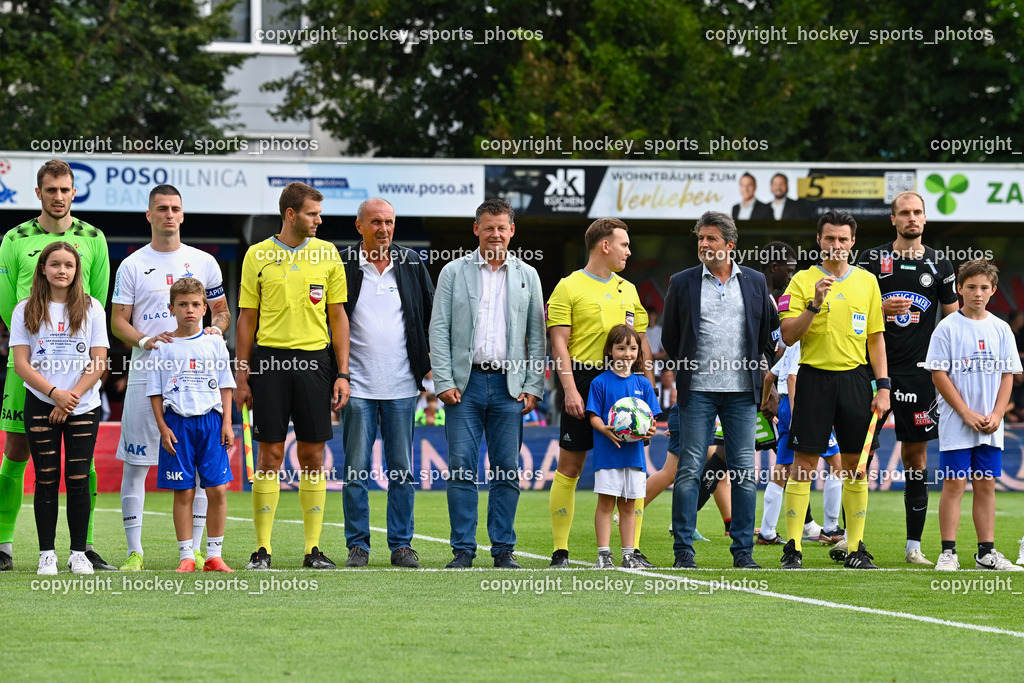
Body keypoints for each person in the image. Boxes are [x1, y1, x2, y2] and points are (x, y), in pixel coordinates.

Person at [0, 160, 112, 572]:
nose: (59, 196)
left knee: (84, 463)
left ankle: (85, 547)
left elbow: (96, 298)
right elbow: (6, 302)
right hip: (29, 367)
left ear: (73, 192)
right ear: (39, 193)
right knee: (17, 450)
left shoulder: (94, 238)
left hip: (79, 379)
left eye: (65, 189)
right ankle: (4, 544)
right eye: (51, 190)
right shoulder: (14, 238)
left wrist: (73, 391)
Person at [111, 185, 230, 571]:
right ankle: (135, 551)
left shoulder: (203, 262)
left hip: (196, 377)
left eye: (175, 209)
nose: (169, 215)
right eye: (161, 208)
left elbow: (222, 312)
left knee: (194, 466)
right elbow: (117, 322)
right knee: (136, 463)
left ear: (183, 215)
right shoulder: (132, 264)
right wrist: (146, 340)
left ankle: (194, 551)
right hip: (148, 371)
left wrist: (217, 329)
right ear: (149, 215)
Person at [235, 181, 350, 570]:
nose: (319, 220)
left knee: (313, 454)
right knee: (269, 453)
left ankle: (312, 549)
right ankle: (262, 549)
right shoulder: (257, 255)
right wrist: (242, 374)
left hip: (316, 363)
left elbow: (338, 317)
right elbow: (247, 318)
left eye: (319, 213)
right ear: (290, 214)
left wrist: (343, 372)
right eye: (312, 213)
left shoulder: (329, 253)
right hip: (268, 363)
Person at [661, 210, 779, 569]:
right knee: (689, 469)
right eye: (700, 238)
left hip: (743, 392)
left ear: (729, 244)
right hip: (697, 391)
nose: (703, 244)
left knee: (744, 471)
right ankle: (683, 552)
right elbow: (670, 337)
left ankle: (743, 552)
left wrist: (765, 379)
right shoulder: (681, 282)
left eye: (710, 238)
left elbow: (768, 335)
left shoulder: (756, 282)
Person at [431, 198, 545, 569]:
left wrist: (533, 386)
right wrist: (444, 379)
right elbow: (440, 329)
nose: (495, 234)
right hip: (465, 385)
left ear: (512, 231)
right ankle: (463, 550)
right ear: (476, 229)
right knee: (462, 467)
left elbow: (537, 336)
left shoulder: (528, 275)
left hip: (510, 387)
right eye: (488, 227)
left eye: (502, 227)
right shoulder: (452, 272)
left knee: (507, 470)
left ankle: (503, 550)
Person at [777, 210, 890, 570]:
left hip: (856, 380)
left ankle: (855, 548)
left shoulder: (868, 282)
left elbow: (876, 339)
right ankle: (792, 548)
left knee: (856, 466)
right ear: (819, 240)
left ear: (852, 242)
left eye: (843, 239)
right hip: (813, 378)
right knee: (804, 465)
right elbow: (789, 335)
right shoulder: (801, 280)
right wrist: (814, 304)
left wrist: (883, 386)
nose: (836, 245)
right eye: (830, 238)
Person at [857, 191, 958, 566]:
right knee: (862, 453)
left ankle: (913, 545)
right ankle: (853, 540)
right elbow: (854, 312)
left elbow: (952, 323)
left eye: (917, 212)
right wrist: (879, 308)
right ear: (893, 220)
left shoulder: (940, 264)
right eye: (904, 213)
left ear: (925, 219)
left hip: (919, 375)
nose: (911, 218)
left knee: (916, 456)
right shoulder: (871, 260)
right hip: (874, 372)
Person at [546, 217, 653, 568]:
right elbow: (559, 343)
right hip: (583, 380)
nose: (629, 251)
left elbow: (641, 344)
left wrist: (647, 391)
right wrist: (570, 390)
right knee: (571, 467)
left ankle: (631, 551)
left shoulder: (630, 289)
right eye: (624, 244)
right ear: (605, 245)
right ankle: (561, 550)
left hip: (628, 385)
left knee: (632, 471)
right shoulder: (568, 286)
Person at [339, 197, 433, 569]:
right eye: (376, 222)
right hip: (357, 384)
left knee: (402, 471)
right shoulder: (342, 262)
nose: (384, 228)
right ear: (359, 225)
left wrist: (427, 368)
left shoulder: (411, 262)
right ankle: (358, 545)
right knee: (355, 472)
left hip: (402, 386)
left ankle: (401, 545)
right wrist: (338, 375)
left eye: (390, 221)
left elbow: (429, 317)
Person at [10, 242, 107, 575]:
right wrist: (54, 393)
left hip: (83, 403)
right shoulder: (24, 309)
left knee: (78, 478)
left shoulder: (93, 308)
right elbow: (21, 363)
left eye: (69, 265)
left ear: (77, 269)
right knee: (46, 479)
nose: (62, 270)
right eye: (55, 264)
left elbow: (99, 362)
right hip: (40, 401)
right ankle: (46, 554)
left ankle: (78, 553)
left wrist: (71, 398)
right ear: (43, 269)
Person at [925, 260, 1023, 572]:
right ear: (959, 289)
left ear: (993, 291)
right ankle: (948, 553)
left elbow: (1008, 374)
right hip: (958, 423)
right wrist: (965, 413)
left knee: (985, 486)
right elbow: (938, 375)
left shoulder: (1001, 328)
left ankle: (986, 554)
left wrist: (997, 413)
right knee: (954, 485)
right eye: (971, 287)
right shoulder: (947, 327)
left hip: (990, 425)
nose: (977, 293)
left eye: (983, 288)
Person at [147, 278, 235, 573]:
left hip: (211, 421)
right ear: (171, 308)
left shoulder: (214, 342)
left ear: (205, 309)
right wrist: (162, 427)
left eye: (196, 305)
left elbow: (225, 385)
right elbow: (156, 392)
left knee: (218, 490)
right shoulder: (162, 347)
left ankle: (214, 555)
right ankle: (186, 555)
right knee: (183, 492)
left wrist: (227, 423)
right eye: (183, 304)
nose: (189, 310)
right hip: (177, 423)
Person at [757, 341, 844, 546]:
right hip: (804, 405)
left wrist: (764, 403)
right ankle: (831, 528)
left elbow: (770, 376)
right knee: (836, 462)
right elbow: (794, 378)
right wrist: (799, 414)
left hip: (785, 406)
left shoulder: (790, 346)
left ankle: (767, 532)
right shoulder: (805, 343)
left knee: (782, 469)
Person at [586, 325, 659, 569]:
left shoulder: (643, 384)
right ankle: (604, 554)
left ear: (639, 352)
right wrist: (603, 428)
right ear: (610, 351)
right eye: (621, 348)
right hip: (609, 456)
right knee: (606, 504)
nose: (627, 353)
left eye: (632, 348)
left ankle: (629, 554)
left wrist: (650, 430)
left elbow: (652, 420)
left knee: (629, 506)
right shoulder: (600, 382)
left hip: (634, 456)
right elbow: (593, 415)